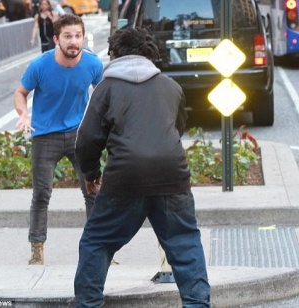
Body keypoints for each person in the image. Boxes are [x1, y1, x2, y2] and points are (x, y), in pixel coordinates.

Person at [73, 28, 211, 307]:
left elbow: (87, 139)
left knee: (97, 242)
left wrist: (90, 174)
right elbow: (177, 127)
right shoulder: (170, 86)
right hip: (172, 176)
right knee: (184, 243)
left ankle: (88, 303)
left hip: (126, 178)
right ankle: (198, 304)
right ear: (151, 55)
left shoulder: (106, 88)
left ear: (114, 54)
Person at [13, 14, 103, 266]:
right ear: (56, 39)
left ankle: (99, 248)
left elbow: (104, 95)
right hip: (45, 136)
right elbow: (20, 92)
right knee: (42, 193)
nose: (73, 41)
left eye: (78, 36)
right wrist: (24, 113)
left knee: (93, 190)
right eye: (67, 36)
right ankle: (37, 249)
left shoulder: (93, 64)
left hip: (78, 135)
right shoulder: (40, 66)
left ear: (83, 38)